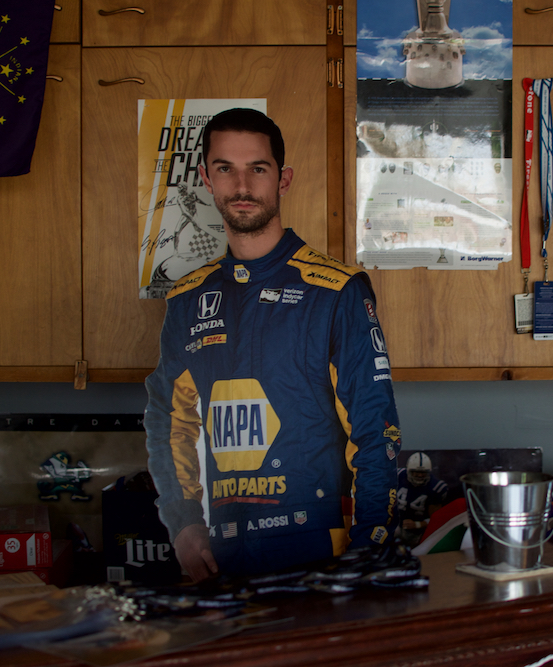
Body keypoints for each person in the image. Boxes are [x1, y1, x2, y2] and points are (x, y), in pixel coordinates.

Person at [144, 108, 402, 581]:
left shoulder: (336, 292)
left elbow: (376, 429)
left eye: (257, 168)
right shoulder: (187, 300)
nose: (242, 185)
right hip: (221, 557)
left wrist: (370, 548)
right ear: (206, 178)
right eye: (225, 168)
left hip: (321, 550)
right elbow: (169, 419)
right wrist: (182, 524)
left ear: (282, 180)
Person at [396, 452, 449, 547]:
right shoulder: (398, 475)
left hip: (417, 530)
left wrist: (418, 524)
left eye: (423, 472)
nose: (420, 475)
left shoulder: (435, 487)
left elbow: (436, 519)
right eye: (416, 472)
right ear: (408, 470)